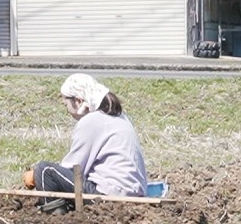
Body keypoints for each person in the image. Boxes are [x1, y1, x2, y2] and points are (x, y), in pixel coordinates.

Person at [24, 73, 148, 213]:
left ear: (78, 101)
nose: (68, 111)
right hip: (134, 194)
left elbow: (74, 167)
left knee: (45, 170)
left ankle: (54, 220)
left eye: (66, 105)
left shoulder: (91, 121)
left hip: (109, 195)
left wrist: (35, 176)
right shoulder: (120, 117)